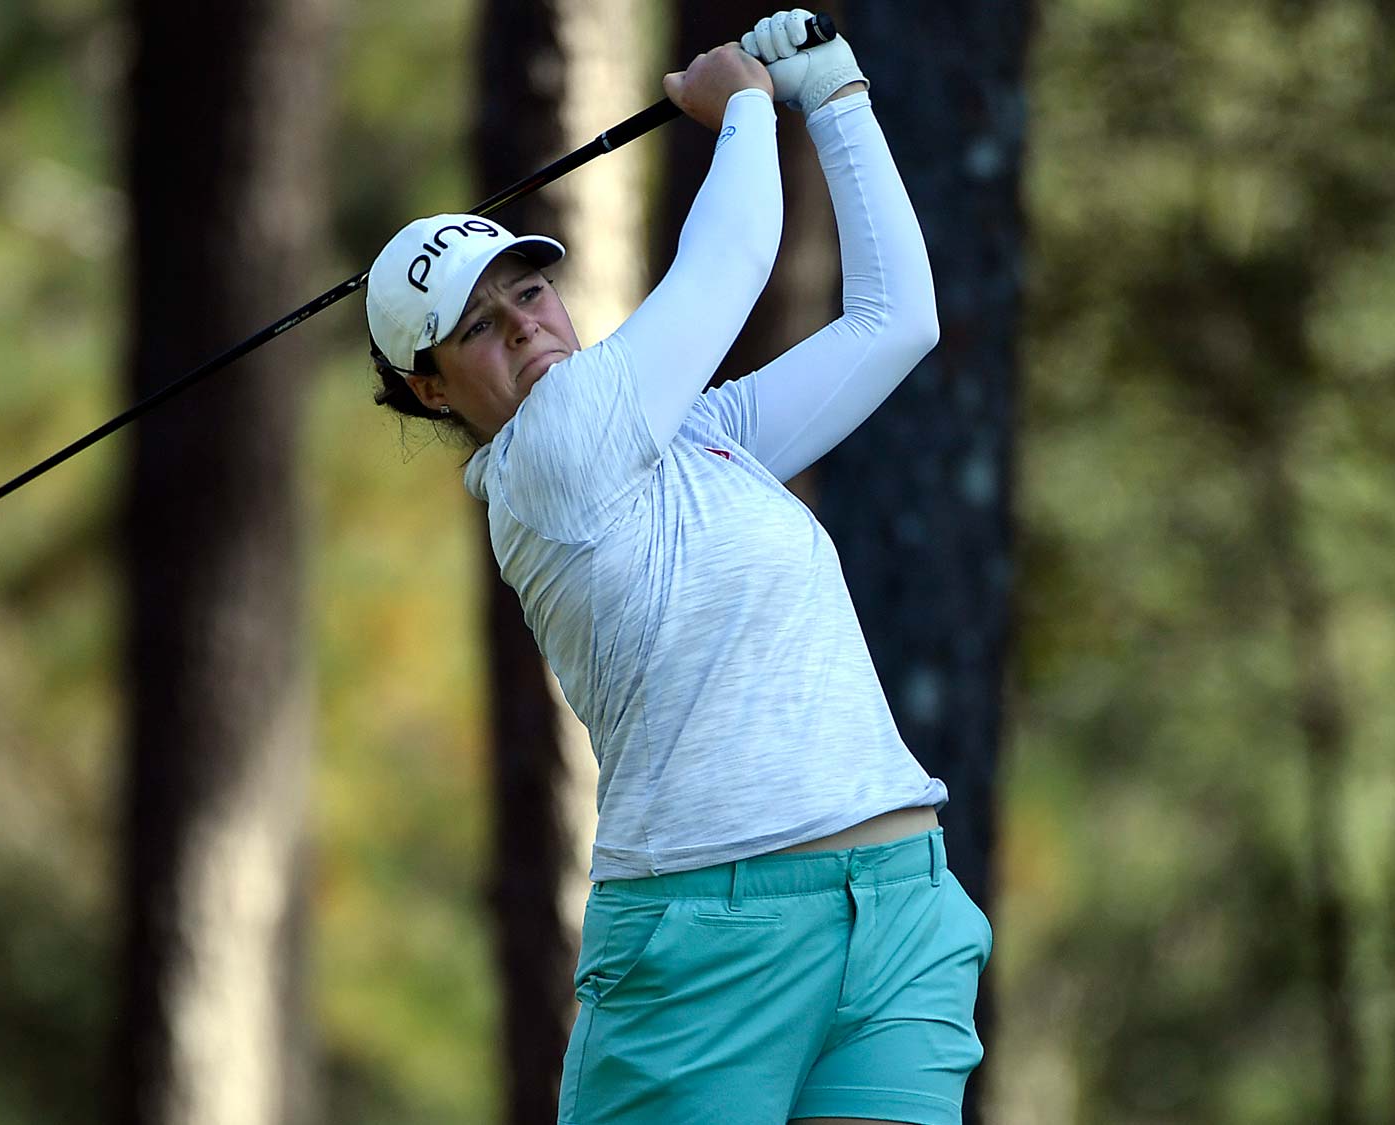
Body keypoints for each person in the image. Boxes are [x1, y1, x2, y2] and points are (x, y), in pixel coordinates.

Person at [363, 12, 990, 1124]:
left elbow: (896, 322)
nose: (524, 327)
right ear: (429, 389)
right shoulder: (547, 462)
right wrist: (740, 104)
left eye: (526, 292)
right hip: (705, 944)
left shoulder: (703, 437)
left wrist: (832, 95)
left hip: (893, 915)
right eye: (476, 328)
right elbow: (739, 254)